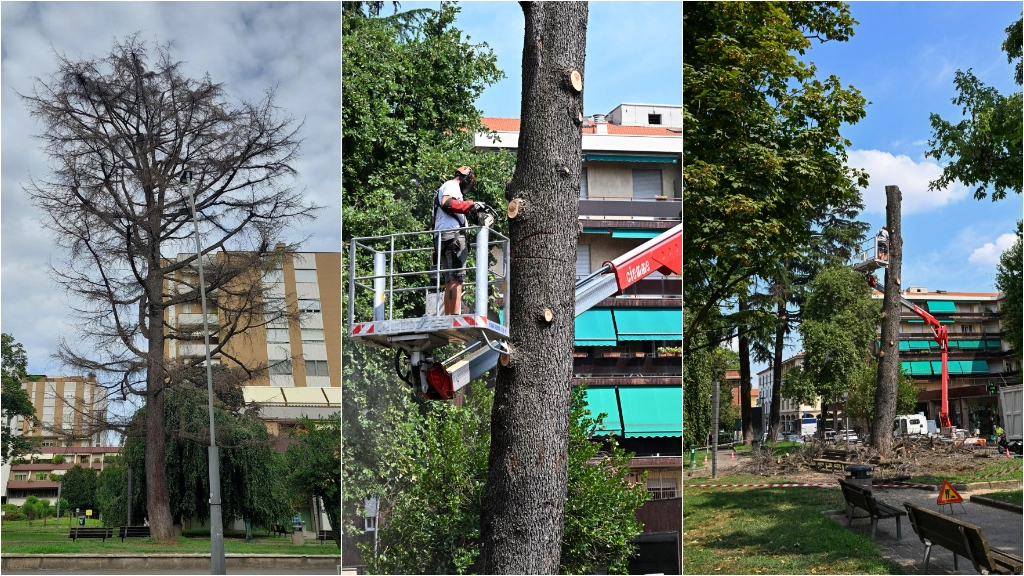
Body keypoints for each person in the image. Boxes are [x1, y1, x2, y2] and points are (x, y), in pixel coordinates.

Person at [433, 166, 485, 315]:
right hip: (453, 236)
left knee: (449, 280)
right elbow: (447, 203)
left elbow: (434, 219)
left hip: (441, 239)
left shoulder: (441, 189)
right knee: (457, 278)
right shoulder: (452, 185)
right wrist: (470, 204)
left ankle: (448, 316)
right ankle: (455, 316)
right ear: (466, 178)